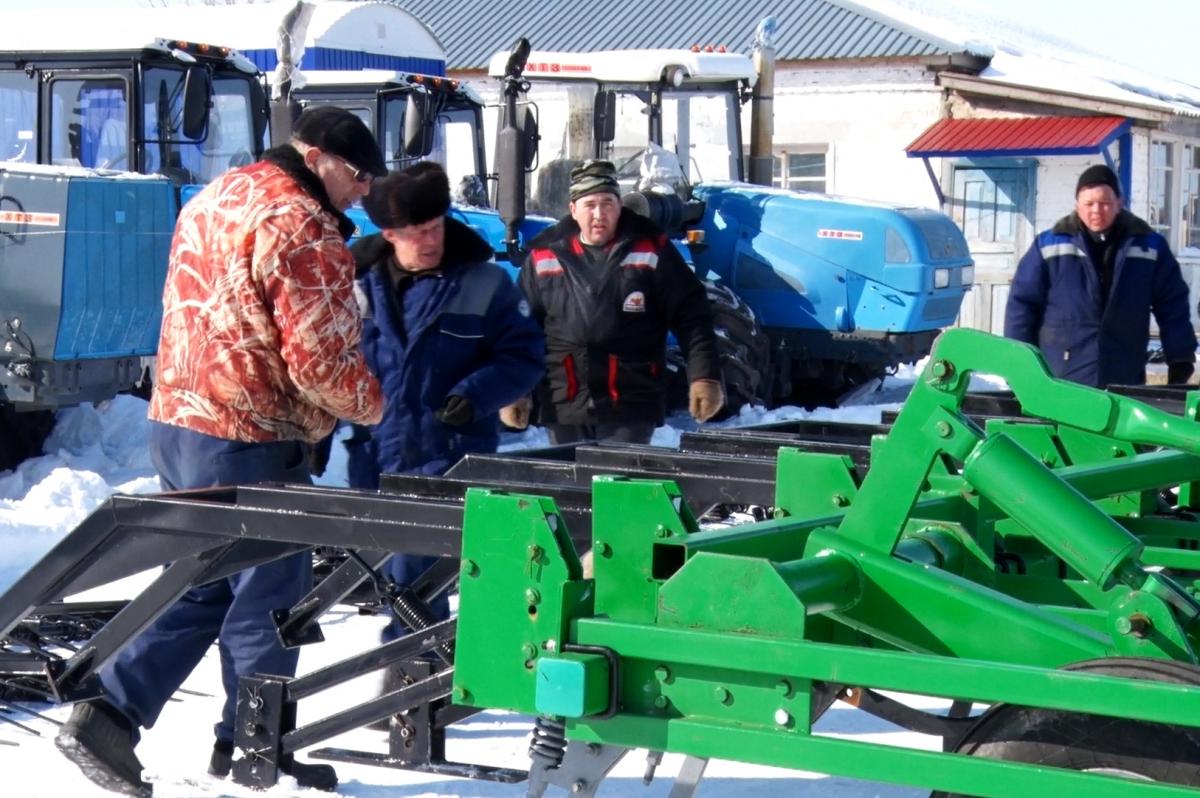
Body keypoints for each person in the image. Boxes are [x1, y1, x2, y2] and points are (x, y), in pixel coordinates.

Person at [54, 106, 388, 796]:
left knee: (204, 581)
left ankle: (113, 716)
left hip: (180, 419)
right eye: (357, 177)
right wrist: (379, 405)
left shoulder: (219, 193)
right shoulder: (301, 223)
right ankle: (256, 751)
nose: (362, 193)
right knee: (270, 595)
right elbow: (321, 364)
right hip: (249, 433)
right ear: (318, 156)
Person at [347, 161, 544, 639]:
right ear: (390, 234)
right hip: (374, 455)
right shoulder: (353, 285)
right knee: (393, 581)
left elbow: (525, 356)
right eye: (416, 232)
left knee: (418, 583)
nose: (431, 240)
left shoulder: (484, 283)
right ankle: (417, 684)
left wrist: (474, 395)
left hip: (448, 454)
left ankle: (413, 685)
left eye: (435, 226)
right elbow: (328, 355)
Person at [519, 159, 724, 445]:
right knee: (571, 487)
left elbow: (692, 315)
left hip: (630, 401)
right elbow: (519, 329)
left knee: (616, 483)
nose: (599, 214)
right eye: (590, 205)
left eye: (608, 203)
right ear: (574, 210)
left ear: (620, 206)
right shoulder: (544, 256)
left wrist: (705, 377)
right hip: (564, 400)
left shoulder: (651, 248)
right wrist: (516, 390)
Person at [1005, 163, 1197, 387]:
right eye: (1089, 203)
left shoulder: (1148, 247)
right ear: (1077, 206)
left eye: (1105, 203)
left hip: (1123, 374)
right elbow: (1022, 306)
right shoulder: (1049, 246)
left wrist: (1180, 358)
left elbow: (1173, 305)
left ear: (1119, 204)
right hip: (1062, 378)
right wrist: (1018, 363)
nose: (1096, 210)